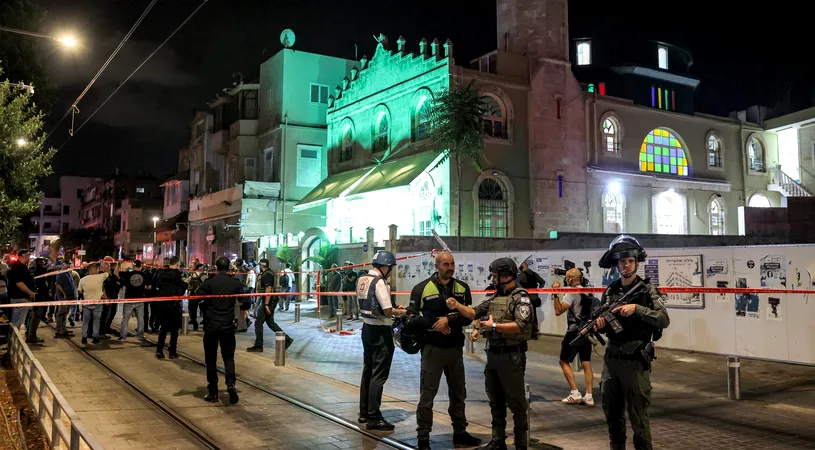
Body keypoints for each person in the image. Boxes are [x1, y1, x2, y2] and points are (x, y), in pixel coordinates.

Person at [446, 257, 534, 450]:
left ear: (506, 275)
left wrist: (494, 326)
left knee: (517, 404)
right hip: (494, 356)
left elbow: (520, 325)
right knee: (495, 401)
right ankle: (498, 440)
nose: (493, 279)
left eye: (495, 275)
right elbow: (474, 312)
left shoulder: (521, 297)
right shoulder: (494, 298)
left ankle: (521, 445)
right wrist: (457, 306)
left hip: (512, 356)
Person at [595, 235, 670, 450]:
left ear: (636, 262)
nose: (626, 265)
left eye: (629, 261)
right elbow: (606, 322)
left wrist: (637, 309)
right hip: (612, 361)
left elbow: (663, 319)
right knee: (612, 412)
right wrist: (601, 325)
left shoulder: (647, 290)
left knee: (638, 415)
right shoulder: (610, 291)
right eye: (621, 261)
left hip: (635, 361)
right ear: (616, 264)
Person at [407, 251, 481, 449]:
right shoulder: (421, 288)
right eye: (446, 264)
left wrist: (449, 319)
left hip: (455, 350)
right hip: (433, 350)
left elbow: (468, 316)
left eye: (452, 264)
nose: (450, 268)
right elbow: (411, 319)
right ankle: (423, 437)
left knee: (458, 393)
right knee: (427, 395)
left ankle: (460, 432)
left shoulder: (462, 288)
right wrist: (434, 324)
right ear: (437, 265)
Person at [357, 251, 407, 431]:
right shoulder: (379, 282)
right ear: (385, 267)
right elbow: (386, 310)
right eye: (390, 268)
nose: (390, 271)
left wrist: (394, 307)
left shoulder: (363, 279)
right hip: (380, 331)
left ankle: (364, 412)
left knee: (368, 371)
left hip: (367, 329)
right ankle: (374, 417)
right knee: (379, 374)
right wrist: (402, 312)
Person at [198, 256, 244, 404]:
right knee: (228, 357)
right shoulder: (235, 283)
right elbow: (246, 302)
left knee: (211, 359)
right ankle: (230, 385)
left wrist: (205, 304)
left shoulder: (209, 283)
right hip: (228, 325)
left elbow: (194, 299)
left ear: (216, 267)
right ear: (229, 267)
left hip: (211, 325)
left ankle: (213, 392)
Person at [551, 267, 595, 406]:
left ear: (570, 279)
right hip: (587, 331)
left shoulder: (570, 293)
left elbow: (558, 311)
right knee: (586, 363)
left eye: (567, 277)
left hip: (574, 332)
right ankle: (589, 395)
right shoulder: (589, 291)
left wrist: (555, 294)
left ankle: (575, 392)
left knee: (563, 361)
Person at [247, 259, 293, 352]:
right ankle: (287, 339)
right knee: (270, 322)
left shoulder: (267, 275)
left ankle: (259, 345)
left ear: (262, 265)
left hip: (269, 301)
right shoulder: (268, 273)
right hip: (271, 300)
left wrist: (266, 304)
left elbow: (268, 289)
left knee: (258, 322)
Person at [153, 256, 187, 359]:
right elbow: (182, 287)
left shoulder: (160, 273)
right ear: (177, 264)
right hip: (173, 304)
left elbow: (156, 285)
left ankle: (159, 350)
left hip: (162, 303)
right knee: (174, 329)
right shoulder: (177, 274)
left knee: (163, 328)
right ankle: (172, 351)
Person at [117, 260, 150, 342]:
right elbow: (149, 287)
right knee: (140, 319)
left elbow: (117, 274)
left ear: (133, 265)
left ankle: (123, 336)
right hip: (140, 299)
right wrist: (143, 288)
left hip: (129, 299)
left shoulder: (128, 274)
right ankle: (140, 335)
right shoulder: (144, 275)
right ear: (141, 266)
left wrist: (119, 264)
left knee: (125, 319)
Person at [6, 251, 37, 340]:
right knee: (17, 324)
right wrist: (30, 293)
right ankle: (12, 344)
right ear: (23, 256)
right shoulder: (18, 267)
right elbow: (19, 283)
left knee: (17, 323)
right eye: (28, 256)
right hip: (20, 298)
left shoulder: (18, 266)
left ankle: (12, 343)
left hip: (20, 298)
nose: (29, 258)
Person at [77, 263, 108, 344]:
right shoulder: (100, 277)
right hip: (97, 304)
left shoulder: (82, 280)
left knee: (85, 321)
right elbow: (107, 271)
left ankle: (84, 337)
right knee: (96, 321)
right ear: (95, 269)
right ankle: (95, 337)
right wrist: (102, 263)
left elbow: (80, 291)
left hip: (87, 303)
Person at [53, 259, 76, 338]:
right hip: (63, 297)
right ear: (63, 264)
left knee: (65, 313)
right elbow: (58, 285)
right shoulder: (61, 273)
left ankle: (64, 328)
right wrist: (64, 294)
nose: (69, 265)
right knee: (61, 313)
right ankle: (59, 330)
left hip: (69, 297)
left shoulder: (68, 273)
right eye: (68, 264)